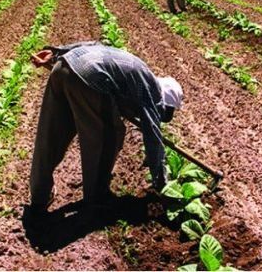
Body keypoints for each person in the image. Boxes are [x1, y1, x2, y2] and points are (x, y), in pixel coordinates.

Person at [27, 41, 183, 215]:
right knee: (109, 136)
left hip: (63, 67)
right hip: (89, 78)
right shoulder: (151, 90)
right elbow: (153, 136)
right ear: (164, 101)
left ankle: (39, 195)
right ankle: (97, 197)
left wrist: (56, 54)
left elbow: (95, 44)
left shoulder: (136, 70)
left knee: (51, 135)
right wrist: (162, 184)